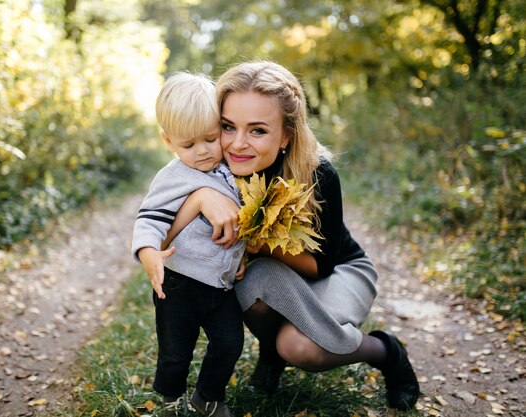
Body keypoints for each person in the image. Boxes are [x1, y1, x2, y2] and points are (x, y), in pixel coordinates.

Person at [175, 61, 420, 411]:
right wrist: (202, 197)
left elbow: (322, 265)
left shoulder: (317, 173)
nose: (238, 144)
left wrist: (258, 244)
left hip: (336, 270)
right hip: (269, 279)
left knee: (302, 348)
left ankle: (385, 351)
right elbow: (164, 224)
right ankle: (272, 354)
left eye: (258, 130)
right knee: (250, 281)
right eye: (228, 126)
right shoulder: (212, 168)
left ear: (287, 135)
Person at [131, 71, 246, 417]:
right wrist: (148, 252)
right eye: (188, 145)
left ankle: (208, 396)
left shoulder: (232, 168)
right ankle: (169, 398)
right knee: (175, 351)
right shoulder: (172, 177)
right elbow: (149, 219)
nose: (201, 152)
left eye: (211, 139)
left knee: (229, 343)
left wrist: (244, 253)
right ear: (168, 142)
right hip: (179, 284)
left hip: (221, 285)